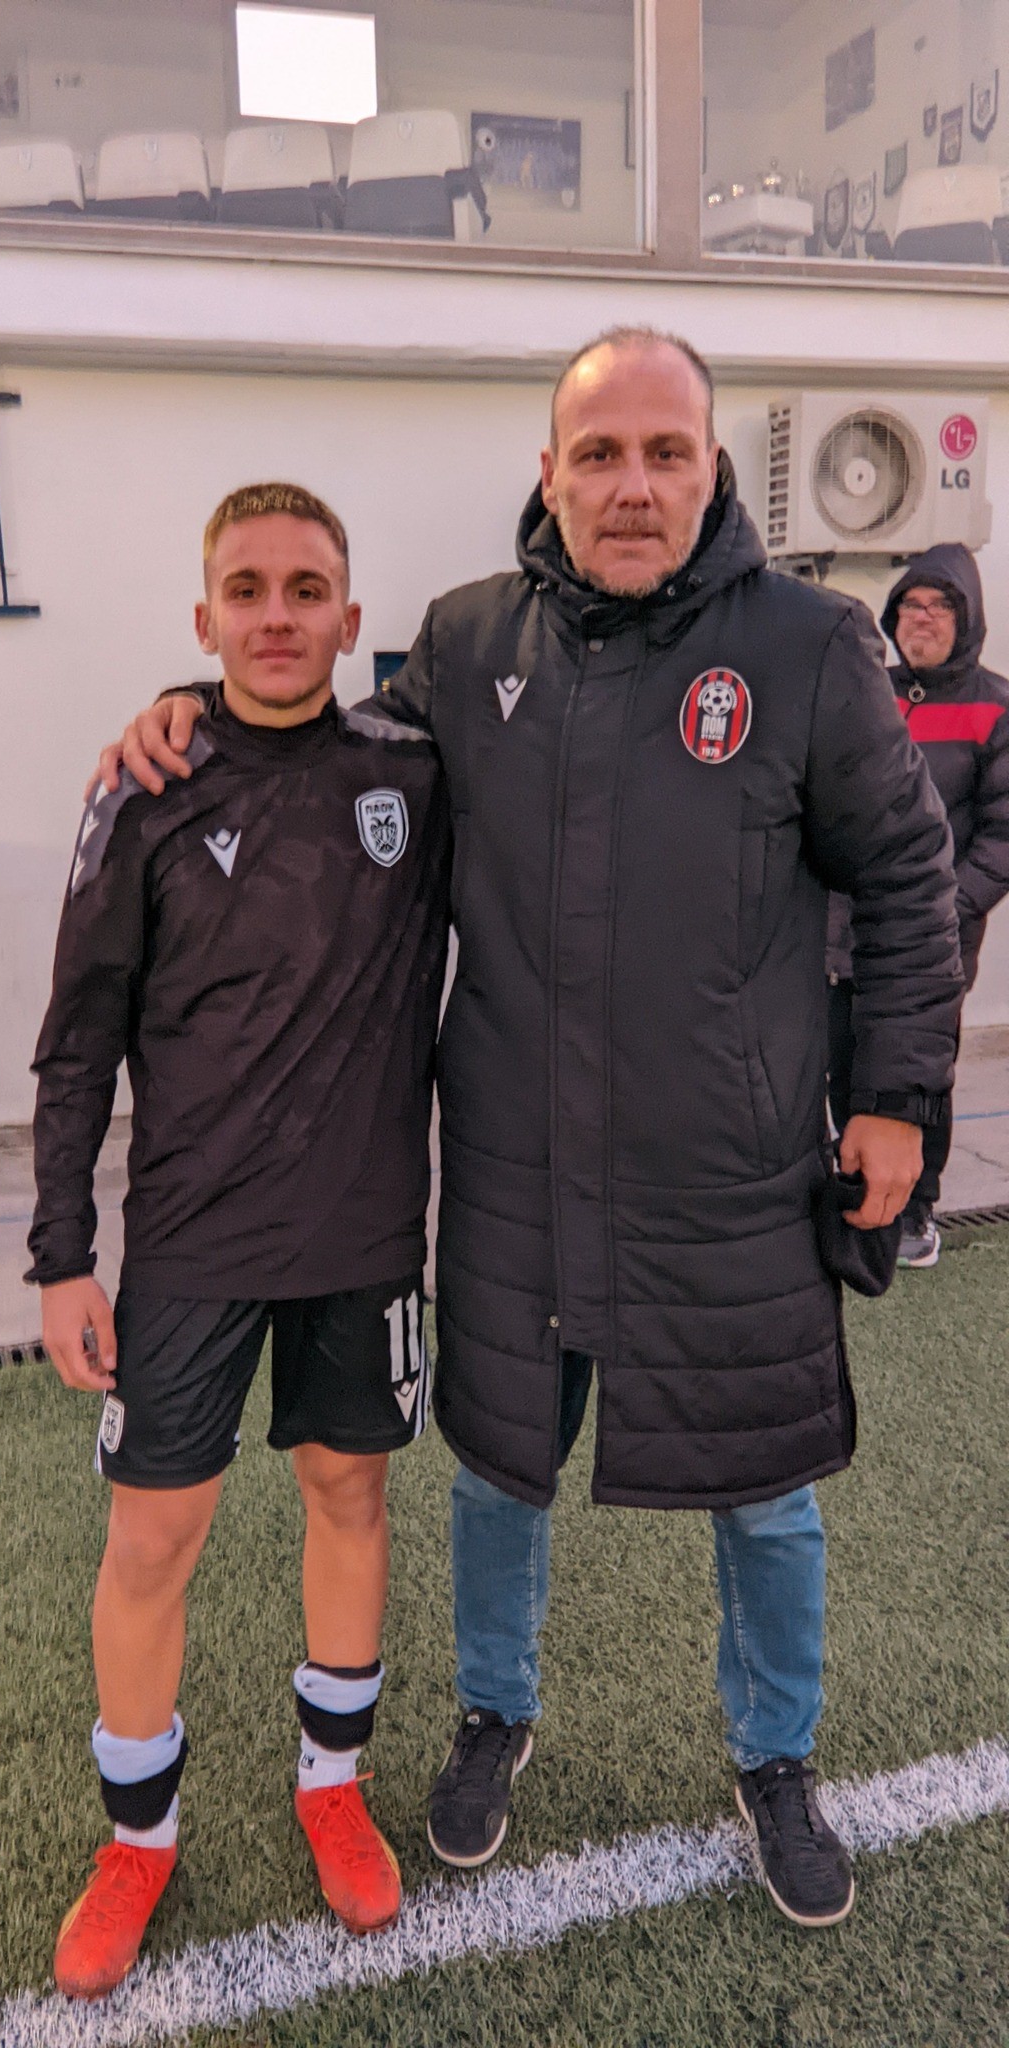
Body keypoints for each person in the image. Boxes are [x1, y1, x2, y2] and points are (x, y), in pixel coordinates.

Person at [97, 328, 961, 1932]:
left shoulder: (811, 647)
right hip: (513, 1166)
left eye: (664, 453)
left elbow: (910, 878)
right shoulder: (465, 641)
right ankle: (494, 1716)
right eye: (599, 455)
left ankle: (776, 1757)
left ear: (712, 468)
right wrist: (186, 710)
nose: (632, 486)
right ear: (548, 474)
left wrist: (900, 1099)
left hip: (733, 1173)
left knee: (766, 1489)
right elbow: (318, 746)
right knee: (500, 1471)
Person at [29, 482, 449, 1997]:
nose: (279, 616)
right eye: (249, 590)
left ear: (351, 616)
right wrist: (61, 1253)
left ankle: (333, 1787)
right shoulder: (145, 786)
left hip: (363, 1237)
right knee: (153, 1539)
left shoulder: (417, 770)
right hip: (192, 1243)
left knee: (351, 1494)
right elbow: (79, 1036)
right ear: (203, 619)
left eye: (307, 589)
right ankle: (137, 1837)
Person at [827, 544, 1009, 1269]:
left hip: (933, 944)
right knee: (844, 1068)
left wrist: (945, 909)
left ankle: (915, 1211)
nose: (921, 618)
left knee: (914, 1074)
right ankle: (857, 1195)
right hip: (844, 936)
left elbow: (1003, 835)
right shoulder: (871, 695)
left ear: (967, 620)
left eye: (939, 606)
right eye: (910, 604)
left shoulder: (996, 708)